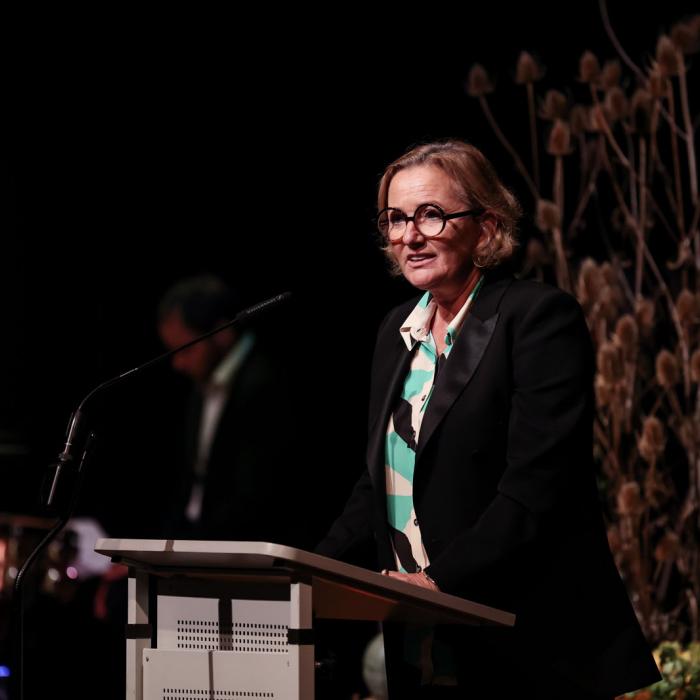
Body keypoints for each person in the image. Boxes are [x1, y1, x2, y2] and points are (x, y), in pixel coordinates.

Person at [315, 140, 661, 698]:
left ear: (487, 225)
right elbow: (378, 482)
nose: (410, 236)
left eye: (431, 215)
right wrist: (311, 573)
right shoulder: (394, 331)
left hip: (522, 639)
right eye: (396, 219)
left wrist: (434, 584)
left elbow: (536, 489)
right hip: (420, 635)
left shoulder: (536, 319)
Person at [157, 275, 298, 543]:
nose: (178, 364)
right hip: (194, 539)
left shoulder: (267, 382)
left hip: (244, 546)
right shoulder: (202, 385)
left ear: (221, 332)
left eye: (186, 350)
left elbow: (257, 495)